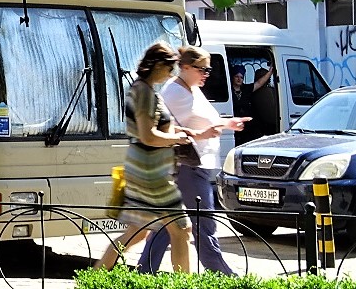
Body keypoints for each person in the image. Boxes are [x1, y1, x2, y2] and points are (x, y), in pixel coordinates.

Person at [137, 47, 250, 274]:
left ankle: (144, 272)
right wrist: (201, 134)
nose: (207, 74)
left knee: (169, 223)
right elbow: (162, 126)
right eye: (202, 69)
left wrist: (228, 123)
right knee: (203, 220)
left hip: (194, 163)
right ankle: (220, 273)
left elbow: (207, 120)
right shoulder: (174, 92)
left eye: (209, 69)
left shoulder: (192, 89)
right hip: (187, 164)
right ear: (185, 67)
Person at [96, 42, 192, 273]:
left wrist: (178, 134)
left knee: (137, 232)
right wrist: (177, 140)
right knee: (181, 229)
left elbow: (150, 132)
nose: (172, 74)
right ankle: (186, 284)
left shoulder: (141, 89)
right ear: (158, 65)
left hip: (142, 169)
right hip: (152, 174)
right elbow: (148, 136)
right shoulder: (145, 92)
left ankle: (92, 279)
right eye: (170, 69)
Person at [232, 63, 273, 144]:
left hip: (247, 127)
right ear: (232, 77)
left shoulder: (246, 89)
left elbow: (259, 83)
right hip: (234, 126)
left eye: (241, 77)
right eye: (236, 76)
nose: (239, 79)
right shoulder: (228, 91)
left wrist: (269, 73)